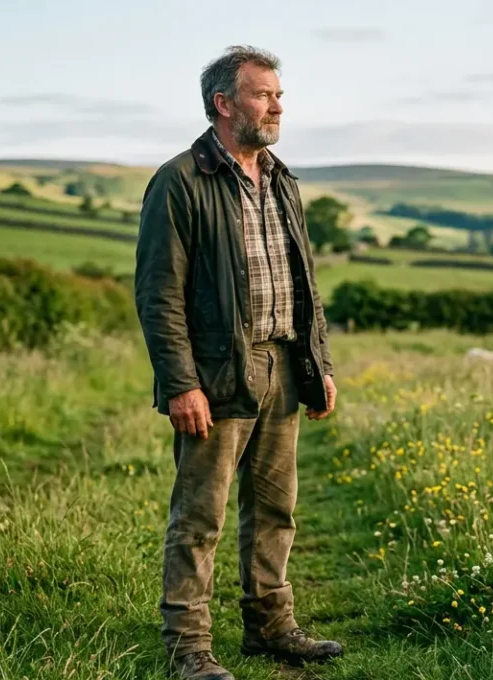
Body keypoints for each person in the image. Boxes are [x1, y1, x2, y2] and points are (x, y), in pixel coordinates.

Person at [134, 45, 341, 680]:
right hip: (218, 371)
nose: (277, 105)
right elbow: (159, 292)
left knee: (276, 509)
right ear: (224, 104)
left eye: (278, 94)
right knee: (201, 517)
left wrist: (318, 362)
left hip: (284, 365)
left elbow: (303, 279)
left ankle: (270, 626)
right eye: (263, 94)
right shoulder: (180, 180)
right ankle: (188, 647)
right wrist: (180, 383)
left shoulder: (283, 178)